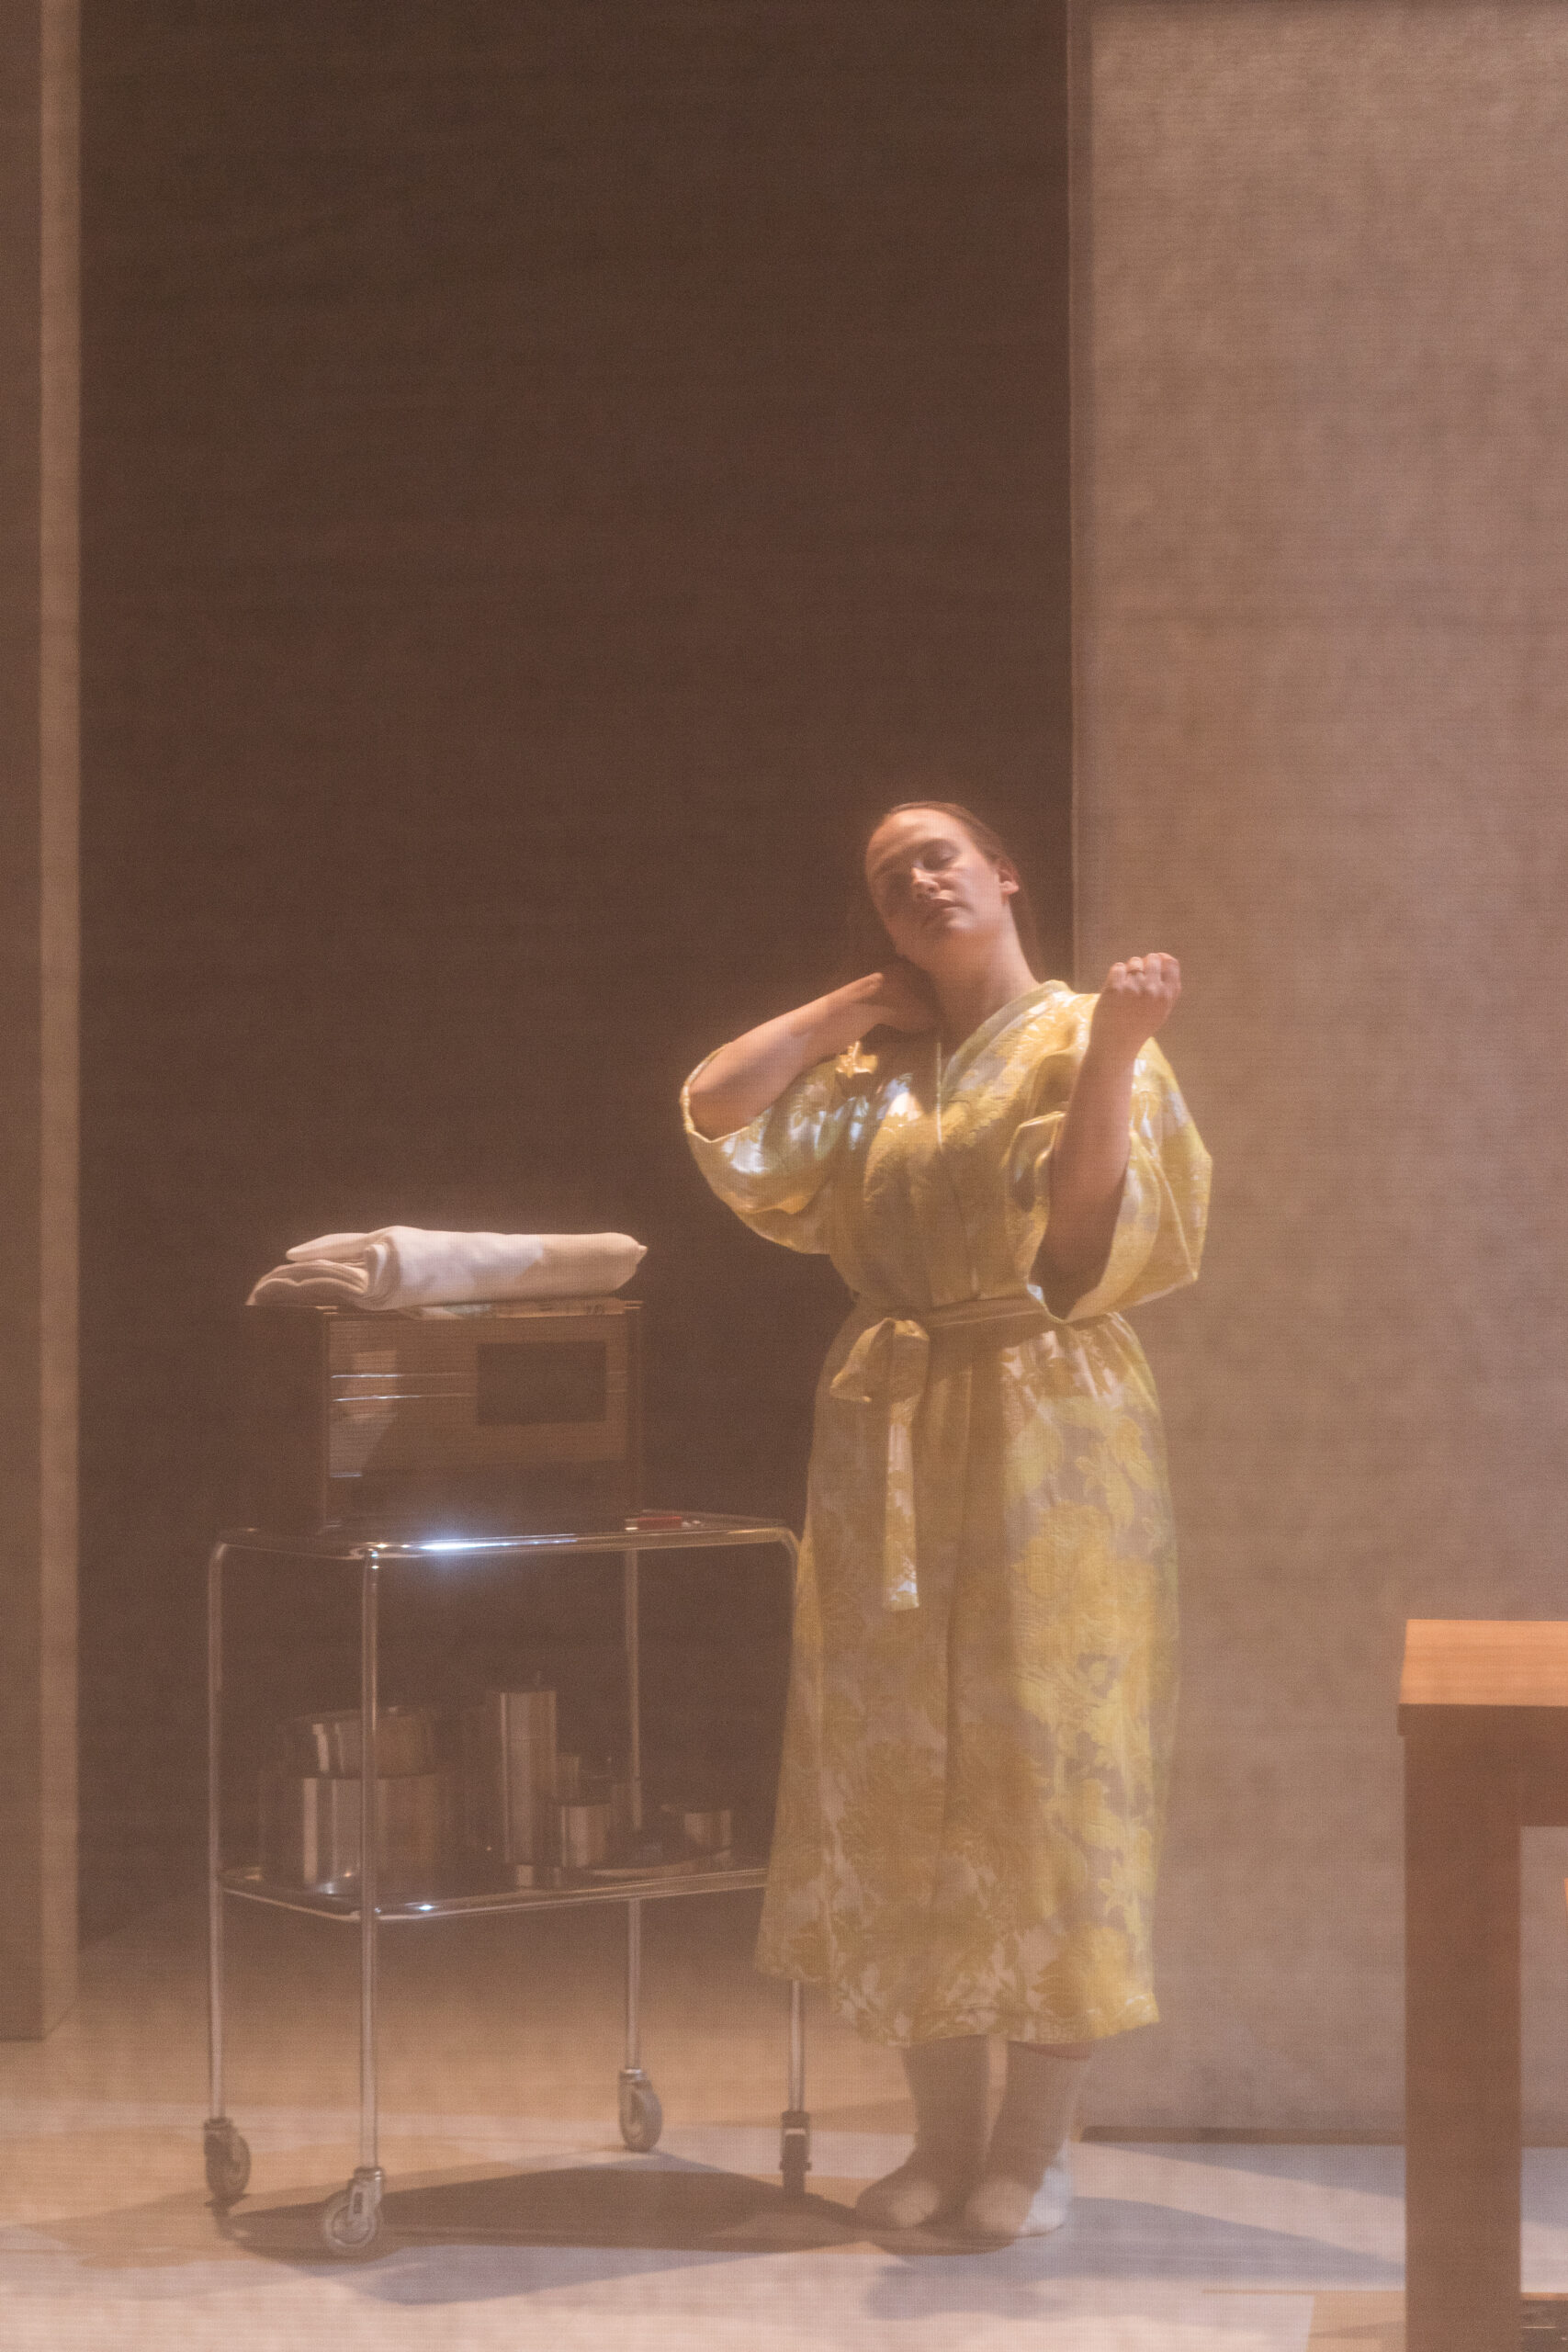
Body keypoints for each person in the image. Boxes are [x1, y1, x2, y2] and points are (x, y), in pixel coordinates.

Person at [682, 800, 1211, 2240]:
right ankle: (940, 2135)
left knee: (1052, 1772)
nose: (917, 880)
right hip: (893, 1431)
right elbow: (719, 1108)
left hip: (1053, 1423)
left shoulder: (1086, 1033)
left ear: (1004, 874)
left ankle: (1033, 2151)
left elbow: (1082, 1239)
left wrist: (1116, 1053)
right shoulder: (878, 1069)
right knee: (899, 1768)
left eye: (939, 856)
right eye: (887, 877)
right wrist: (855, 1003)